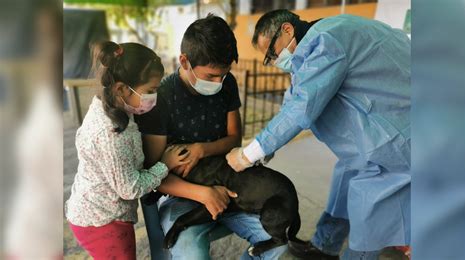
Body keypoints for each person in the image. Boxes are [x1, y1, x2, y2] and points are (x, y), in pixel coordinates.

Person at [226, 10, 411, 260]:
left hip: (396, 138)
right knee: (345, 181)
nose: (274, 60)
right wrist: (266, 147)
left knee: (370, 214)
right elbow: (293, 100)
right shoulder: (317, 42)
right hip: (379, 129)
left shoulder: (327, 41)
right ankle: (326, 246)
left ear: (287, 30)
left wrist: (247, 155)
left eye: (272, 53)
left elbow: (302, 107)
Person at [135, 14, 287, 260]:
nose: (218, 83)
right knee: (189, 251)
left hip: (233, 188)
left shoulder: (227, 84)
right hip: (183, 195)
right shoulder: (161, 97)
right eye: (210, 76)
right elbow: (152, 174)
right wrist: (204, 194)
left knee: (278, 244)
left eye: (224, 75)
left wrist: (201, 149)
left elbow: (234, 138)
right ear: (184, 61)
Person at [65, 41, 194, 259]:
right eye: (150, 90)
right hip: (102, 221)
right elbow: (130, 188)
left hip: (96, 211)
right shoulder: (112, 133)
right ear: (121, 89)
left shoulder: (111, 105)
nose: (154, 96)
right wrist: (165, 164)